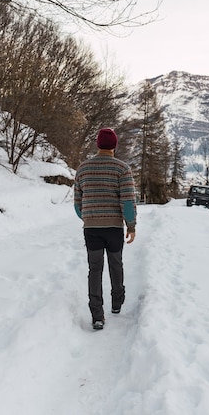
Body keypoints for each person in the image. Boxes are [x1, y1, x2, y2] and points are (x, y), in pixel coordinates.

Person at [73, 128, 137, 330]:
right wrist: (131, 225)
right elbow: (127, 201)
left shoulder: (83, 169)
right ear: (115, 145)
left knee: (95, 269)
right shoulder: (122, 168)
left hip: (91, 228)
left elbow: (77, 203)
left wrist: (89, 217)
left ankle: (97, 315)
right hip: (113, 228)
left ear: (97, 145)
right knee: (115, 264)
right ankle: (117, 303)